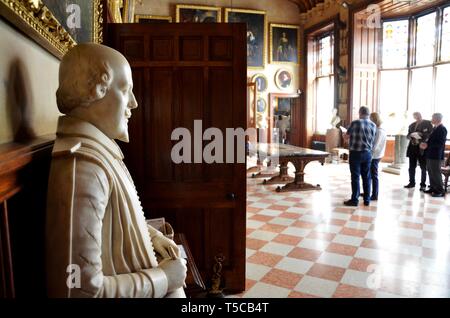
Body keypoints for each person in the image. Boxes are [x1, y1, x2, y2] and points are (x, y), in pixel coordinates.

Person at [46, 43, 187, 297]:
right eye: (126, 90)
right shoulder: (83, 167)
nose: (133, 103)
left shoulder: (99, 153)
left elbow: (115, 224)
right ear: (96, 91)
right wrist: (164, 278)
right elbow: (78, 290)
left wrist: (152, 236)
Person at [344, 106, 377, 206]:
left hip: (355, 153)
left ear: (360, 113)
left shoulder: (355, 123)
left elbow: (346, 137)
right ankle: (367, 200)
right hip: (367, 154)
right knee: (367, 177)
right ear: (368, 114)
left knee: (355, 177)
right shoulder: (373, 125)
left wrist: (344, 135)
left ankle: (355, 200)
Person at [420, 113, 447, 197]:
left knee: (436, 172)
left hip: (436, 155)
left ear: (437, 118)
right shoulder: (435, 128)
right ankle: (433, 188)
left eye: (432, 117)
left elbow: (440, 143)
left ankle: (440, 191)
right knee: (431, 172)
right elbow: (431, 140)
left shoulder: (442, 129)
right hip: (430, 154)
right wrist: (425, 144)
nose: (431, 119)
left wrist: (427, 145)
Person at [404, 112, 433, 191]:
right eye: (415, 117)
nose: (417, 118)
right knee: (411, 167)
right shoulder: (411, 125)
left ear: (421, 115)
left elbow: (430, 134)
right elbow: (407, 135)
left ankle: (423, 184)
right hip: (412, 148)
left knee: (423, 167)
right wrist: (410, 136)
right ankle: (411, 182)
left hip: (422, 148)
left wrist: (421, 135)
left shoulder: (427, 123)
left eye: (418, 116)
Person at [369, 112, 387, 200]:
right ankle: (367, 191)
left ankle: (375, 195)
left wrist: (369, 155)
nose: (369, 120)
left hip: (375, 156)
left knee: (374, 176)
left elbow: (375, 145)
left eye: (371, 118)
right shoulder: (378, 129)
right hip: (376, 155)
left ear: (374, 119)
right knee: (369, 175)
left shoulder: (380, 130)